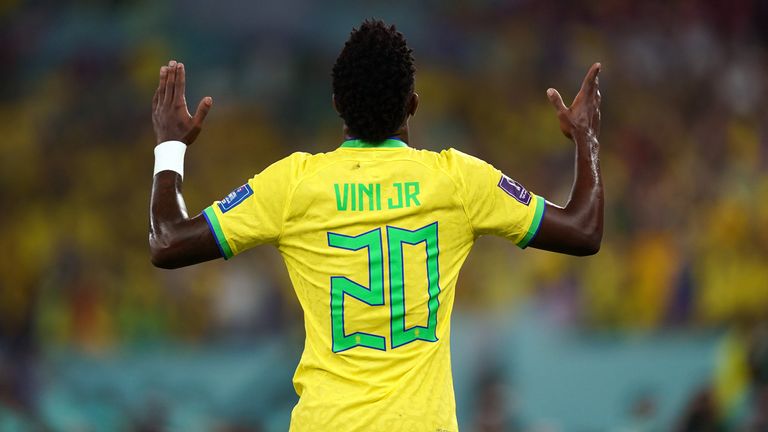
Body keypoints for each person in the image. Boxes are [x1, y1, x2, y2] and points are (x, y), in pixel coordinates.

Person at [149, 19, 602, 432]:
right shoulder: (457, 180)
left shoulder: (293, 184)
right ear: (413, 104)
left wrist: (170, 145)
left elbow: (169, 241)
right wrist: (586, 138)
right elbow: (582, 229)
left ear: (337, 106)